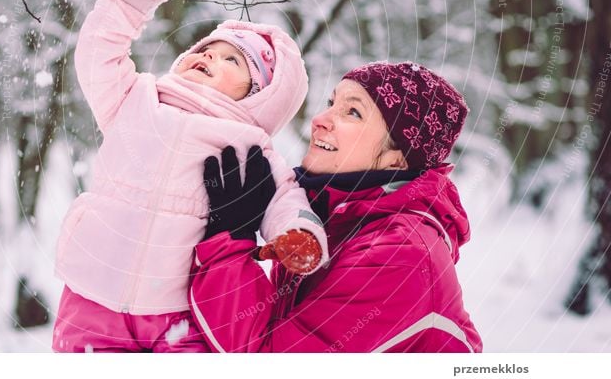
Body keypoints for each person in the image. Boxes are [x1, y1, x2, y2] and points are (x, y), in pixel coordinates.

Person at [52, 0, 328, 353]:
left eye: (232, 60)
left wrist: (299, 234)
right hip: (95, 289)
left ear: (259, 94)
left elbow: (284, 199)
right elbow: (96, 56)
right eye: (209, 50)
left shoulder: (250, 146)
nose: (211, 58)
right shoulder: (136, 99)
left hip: (180, 310)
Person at [189, 62, 483, 352]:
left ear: (398, 159)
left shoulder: (400, 254)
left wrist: (229, 241)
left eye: (352, 112)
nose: (319, 119)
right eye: (331, 103)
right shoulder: (332, 221)